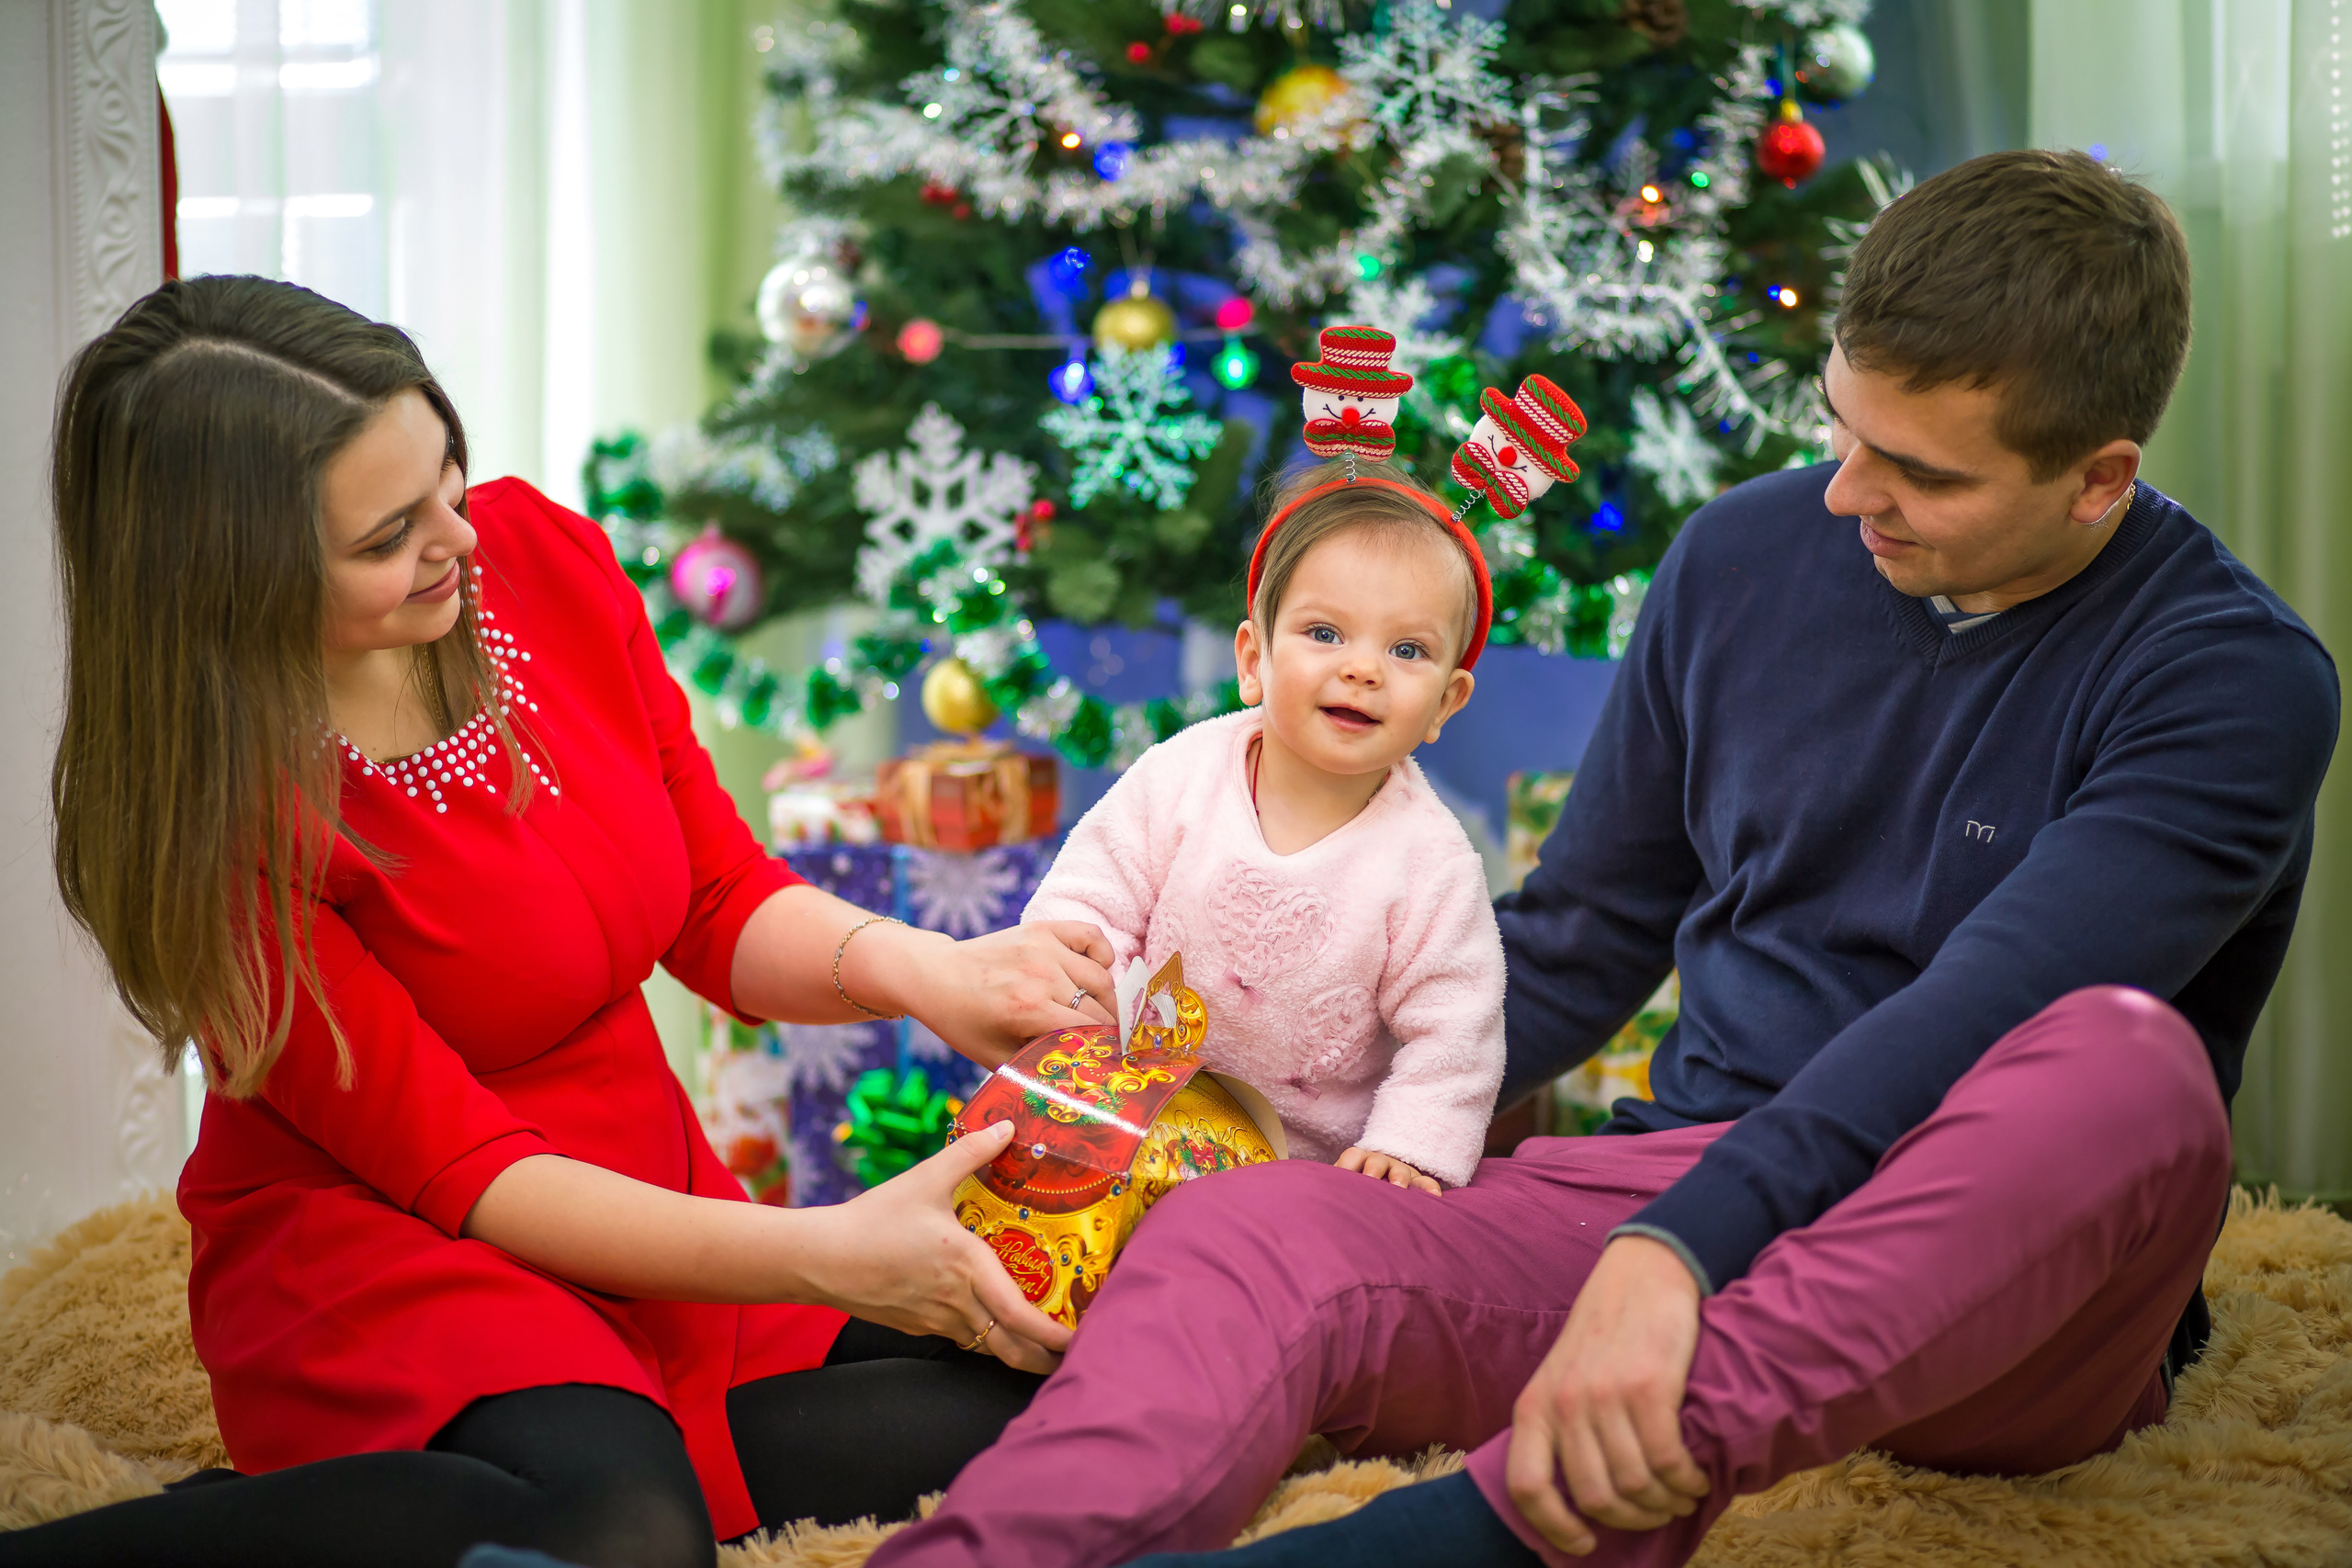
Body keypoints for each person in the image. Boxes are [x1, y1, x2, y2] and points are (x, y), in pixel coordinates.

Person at [859, 151, 2340, 1568]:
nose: (1843, 493)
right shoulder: (1745, 554)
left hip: (1980, 1253)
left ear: (2097, 478)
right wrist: (1258, 1095)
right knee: (1253, 1223)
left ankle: (1491, 1531)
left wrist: (1686, 1249)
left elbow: (1975, 1016)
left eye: (1917, 472)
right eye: (1841, 426)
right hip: (1653, 1193)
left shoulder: (2230, 680)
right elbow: (1574, 934)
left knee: (2124, 1063)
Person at [1, 275, 1123, 1568]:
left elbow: (711, 893)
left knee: (1076, 1393)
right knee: (631, 1534)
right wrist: (822, 1252)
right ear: (227, 582)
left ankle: (585, 1454)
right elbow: (474, 1172)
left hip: (647, 1190)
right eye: (387, 536)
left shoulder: (543, 559)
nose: (460, 541)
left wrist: (928, 969)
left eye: (451, 482)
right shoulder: (229, 824)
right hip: (401, 1248)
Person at [1023, 461, 1505, 1193]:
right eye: (1324, 632)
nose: (1364, 668)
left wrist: (1406, 1146)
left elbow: (1456, 1031)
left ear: (1447, 702)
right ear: (1254, 660)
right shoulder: (1181, 775)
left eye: (1408, 650)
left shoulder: (1431, 863)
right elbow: (1087, 903)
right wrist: (1085, 1019)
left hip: (1302, 1178)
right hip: (1129, 1116)